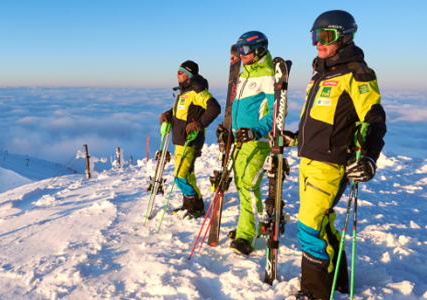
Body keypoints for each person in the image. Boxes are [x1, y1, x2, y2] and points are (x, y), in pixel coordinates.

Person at [281, 10, 387, 300]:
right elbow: (321, 122)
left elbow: (374, 118)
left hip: (331, 164)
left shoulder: (356, 72)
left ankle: (315, 293)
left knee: (309, 227)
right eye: (315, 37)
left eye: (325, 36)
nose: (318, 43)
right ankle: (338, 280)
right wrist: (295, 139)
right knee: (322, 222)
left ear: (344, 37)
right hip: (310, 161)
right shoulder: (321, 75)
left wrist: (368, 156)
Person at [216, 31, 277, 255]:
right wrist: (228, 129)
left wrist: (256, 131)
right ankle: (251, 226)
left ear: (259, 49)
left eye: (245, 50)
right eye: (239, 50)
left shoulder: (268, 75)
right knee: (242, 185)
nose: (241, 54)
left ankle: (247, 235)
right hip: (241, 140)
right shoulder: (244, 75)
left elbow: (278, 112)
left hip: (257, 142)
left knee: (248, 186)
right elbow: (239, 110)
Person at [159, 60, 221, 219]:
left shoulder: (196, 90)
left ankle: (197, 207)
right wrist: (167, 115)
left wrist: (198, 125)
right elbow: (180, 112)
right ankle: (190, 206)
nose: (176, 75)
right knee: (188, 175)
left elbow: (215, 107)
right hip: (180, 141)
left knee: (180, 176)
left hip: (190, 141)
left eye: (180, 72)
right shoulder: (184, 92)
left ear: (188, 74)